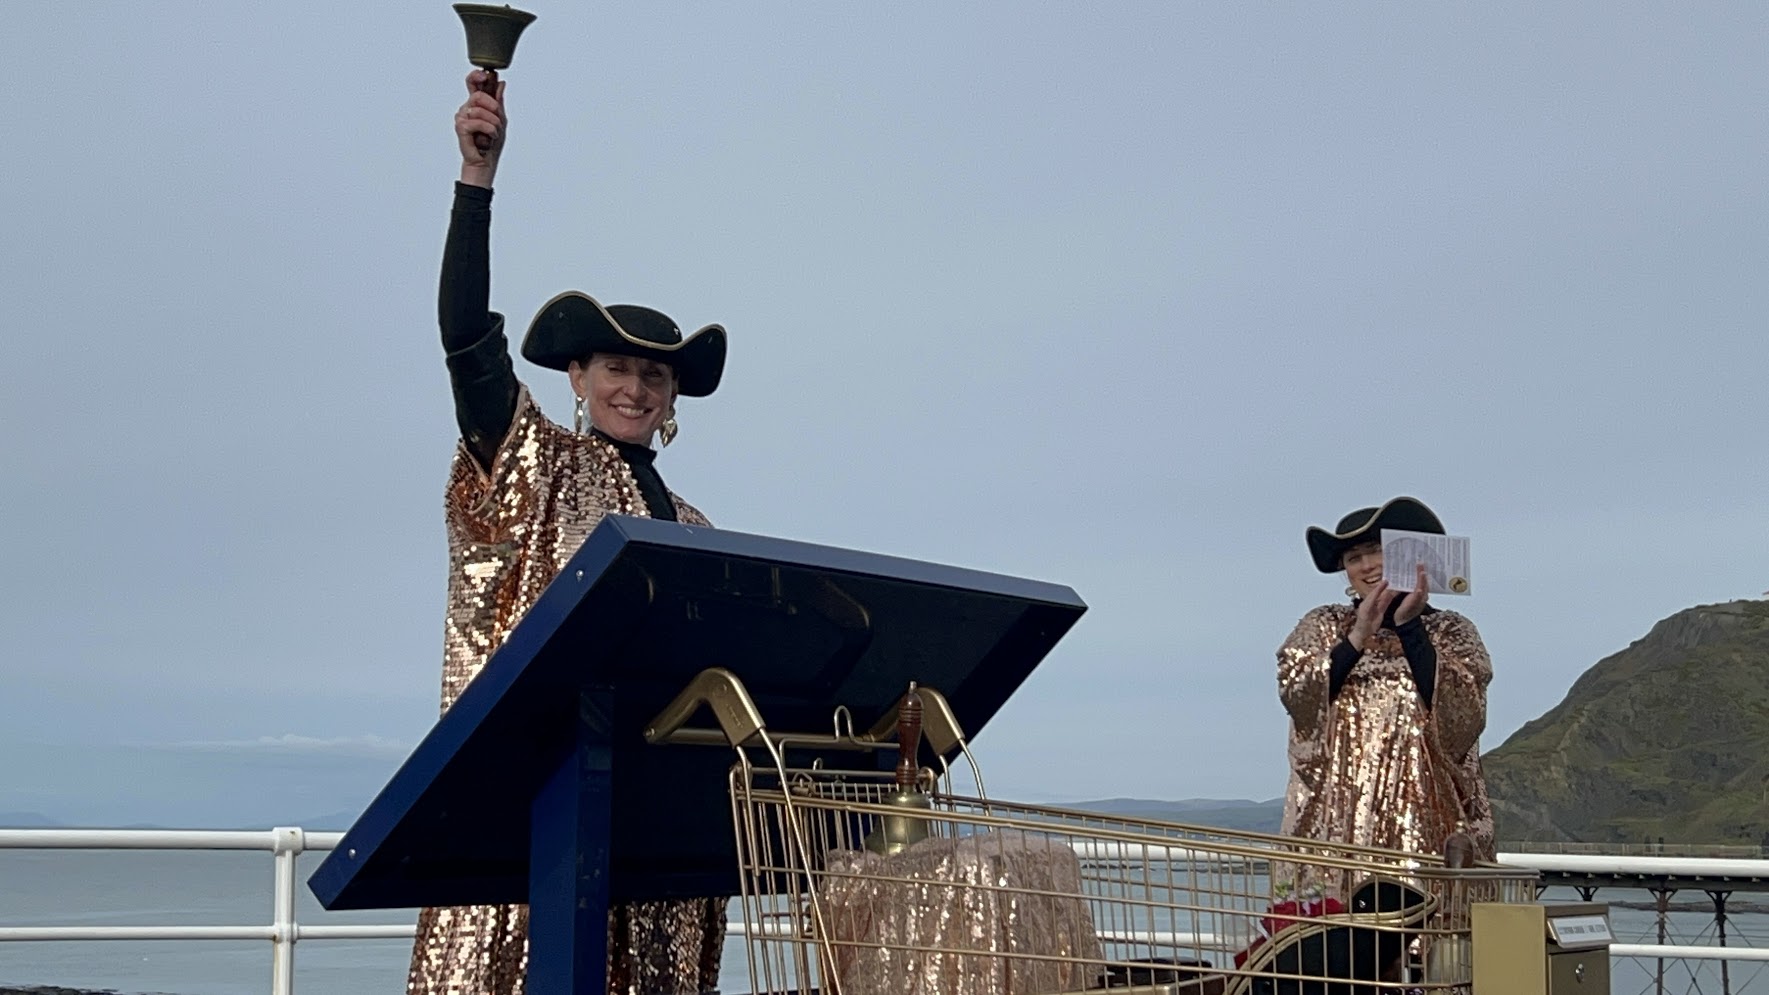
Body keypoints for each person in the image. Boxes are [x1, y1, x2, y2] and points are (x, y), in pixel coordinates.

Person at [404, 70, 728, 995]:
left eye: (655, 376)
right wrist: (477, 182)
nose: (636, 387)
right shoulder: (537, 467)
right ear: (577, 376)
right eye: (617, 367)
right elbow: (466, 340)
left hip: (659, 842)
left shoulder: (698, 529)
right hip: (533, 817)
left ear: (673, 400)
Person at [1276, 496, 1494, 864]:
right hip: (1338, 820)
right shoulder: (1325, 625)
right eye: (1353, 558)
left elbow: (1463, 715)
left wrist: (1411, 629)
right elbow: (1298, 695)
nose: (1367, 566)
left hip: (1428, 820)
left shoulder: (1451, 631)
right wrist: (1359, 635)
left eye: (1376, 550)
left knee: (1424, 913)